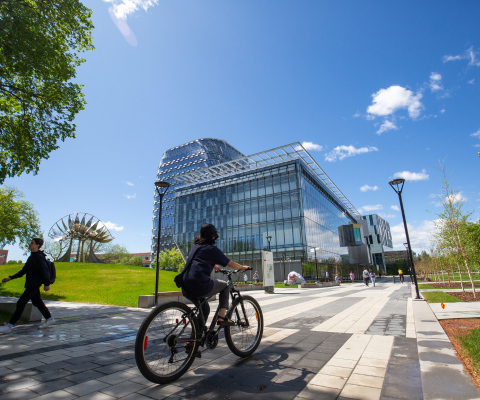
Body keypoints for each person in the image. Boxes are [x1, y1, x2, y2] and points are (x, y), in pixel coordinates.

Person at [182, 224, 249, 327]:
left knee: (204, 309)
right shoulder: (212, 249)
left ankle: (194, 340)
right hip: (199, 285)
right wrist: (241, 267)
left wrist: (213, 265)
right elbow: (229, 263)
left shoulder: (196, 247)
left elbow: (198, 260)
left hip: (185, 284)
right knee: (225, 286)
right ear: (213, 236)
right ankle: (222, 317)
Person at [0, 238, 55, 334]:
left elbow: (45, 271)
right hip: (31, 284)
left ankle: (9, 326)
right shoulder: (32, 257)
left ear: (37, 245)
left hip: (33, 284)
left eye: (32, 243)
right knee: (37, 302)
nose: (30, 244)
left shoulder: (39, 257)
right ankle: (50, 319)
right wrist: (10, 278)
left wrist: (47, 284)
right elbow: (23, 271)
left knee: (21, 303)